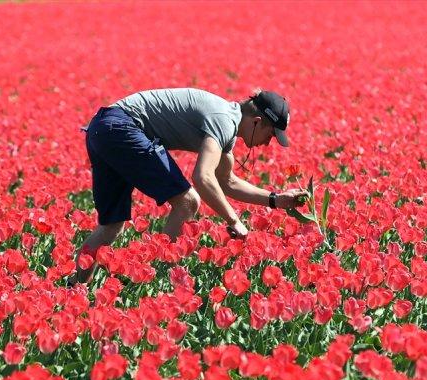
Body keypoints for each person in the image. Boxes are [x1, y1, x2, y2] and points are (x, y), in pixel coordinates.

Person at [71, 87, 308, 285]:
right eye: (271, 135)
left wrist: (276, 199)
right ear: (257, 122)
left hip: (102, 128)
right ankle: (156, 279)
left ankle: (74, 289)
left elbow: (227, 181)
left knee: (111, 226)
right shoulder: (224, 122)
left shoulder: (227, 122)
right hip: (123, 127)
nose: (267, 144)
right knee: (188, 201)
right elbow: (203, 177)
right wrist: (234, 221)